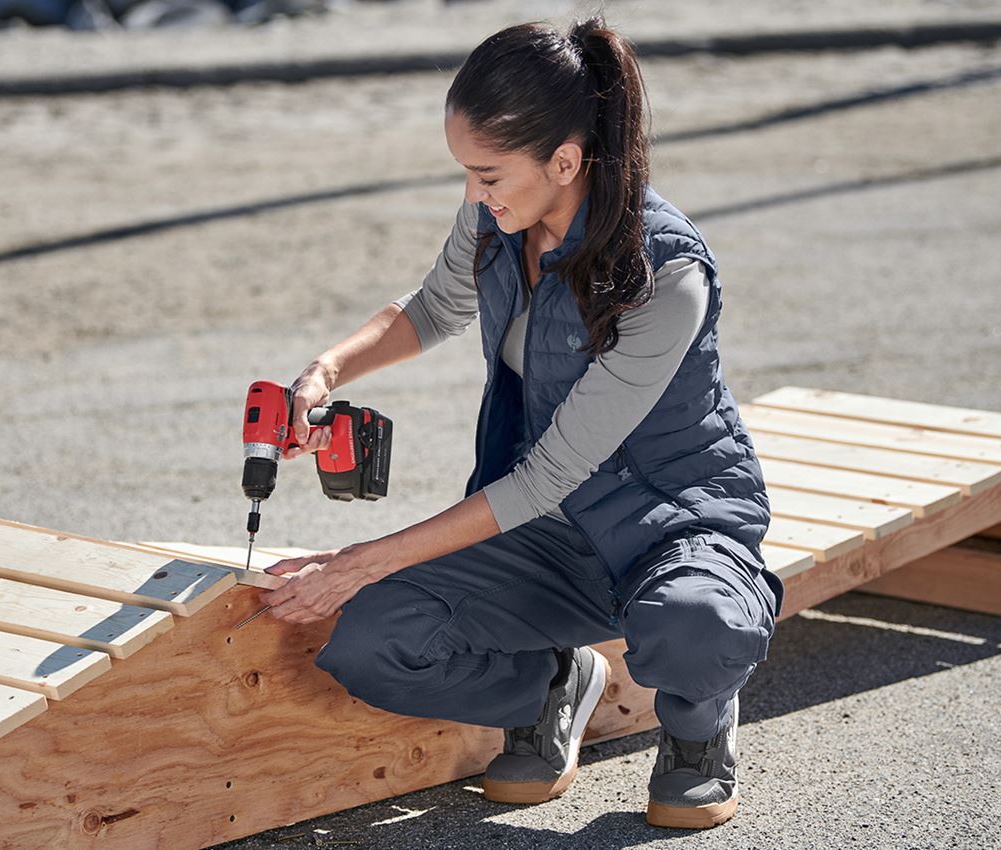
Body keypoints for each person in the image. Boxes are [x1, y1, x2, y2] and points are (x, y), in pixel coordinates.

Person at [256, 15, 785, 830]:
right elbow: (434, 307)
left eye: (489, 174)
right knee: (370, 641)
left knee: (694, 624)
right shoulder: (496, 219)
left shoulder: (667, 273)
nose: (474, 194)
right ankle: (550, 686)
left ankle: (697, 729)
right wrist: (325, 370)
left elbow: (547, 473)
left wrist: (364, 557)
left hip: (670, 521)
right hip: (547, 531)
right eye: (467, 173)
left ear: (564, 160)